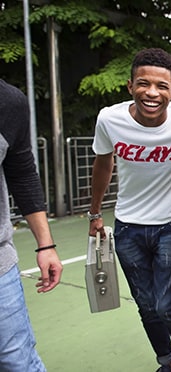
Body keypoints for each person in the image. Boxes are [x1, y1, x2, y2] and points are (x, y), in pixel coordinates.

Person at [88, 48, 171, 372]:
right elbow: (103, 164)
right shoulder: (109, 119)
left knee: (166, 302)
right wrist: (94, 213)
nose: (152, 93)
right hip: (128, 228)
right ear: (130, 86)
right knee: (146, 304)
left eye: (161, 86)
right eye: (143, 84)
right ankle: (167, 362)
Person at [0, 79, 63, 372]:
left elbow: (22, 173)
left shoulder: (8, 102)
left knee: (17, 362)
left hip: (0, 264)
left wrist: (46, 245)